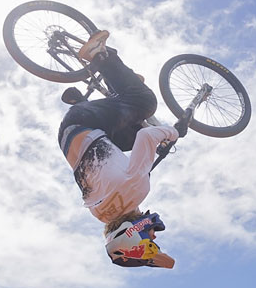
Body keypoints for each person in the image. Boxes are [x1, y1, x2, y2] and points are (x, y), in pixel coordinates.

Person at [57, 30, 190, 269]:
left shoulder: (136, 190)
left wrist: (174, 132)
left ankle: (98, 55)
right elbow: (116, 175)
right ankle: (113, 88)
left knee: (144, 103)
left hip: (88, 122)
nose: (155, 236)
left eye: (150, 241)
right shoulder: (101, 214)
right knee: (131, 128)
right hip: (73, 137)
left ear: (133, 233)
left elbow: (147, 136)